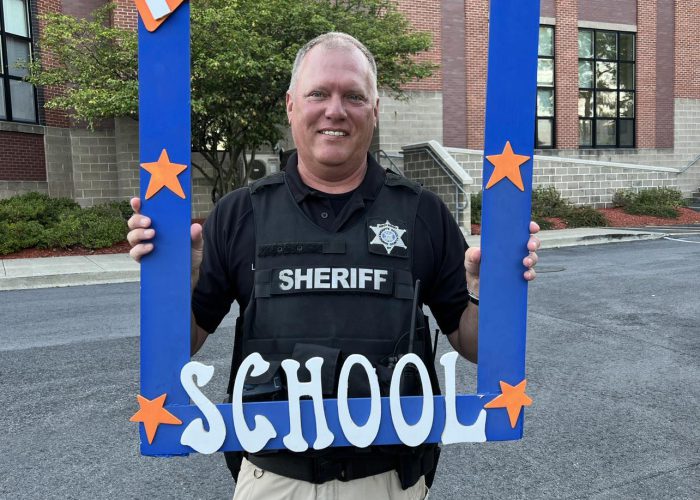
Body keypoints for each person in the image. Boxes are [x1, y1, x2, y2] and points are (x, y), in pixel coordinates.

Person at [128, 32, 540, 500]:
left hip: (388, 480)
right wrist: (173, 287)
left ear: (375, 108)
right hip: (272, 478)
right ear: (290, 105)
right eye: (318, 93)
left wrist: (491, 294)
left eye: (354, 96)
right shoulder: (239, 214)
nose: (335, 110)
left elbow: (476, 346)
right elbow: (183, 343)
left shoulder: (422, 213)